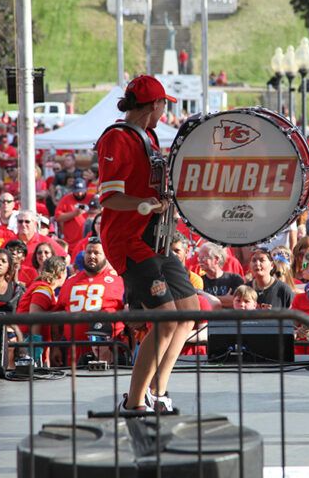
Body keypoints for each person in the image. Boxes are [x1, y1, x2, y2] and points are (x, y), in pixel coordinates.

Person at [96, 75, 199, 413]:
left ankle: (158, 390)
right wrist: (146, 204)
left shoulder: (149, 137)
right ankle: (134, 401)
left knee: (189, 313)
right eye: (163, 104)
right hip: (128, 241)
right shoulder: (116, 138)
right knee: (166, 320)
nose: (164, 109)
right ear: (155, 105)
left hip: (155, 238)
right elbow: (109, 197)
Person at [52, 237, 126, 366]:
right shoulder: (70, 281)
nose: (91, 256)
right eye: (88, 252)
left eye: (97, 253)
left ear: (106, 256)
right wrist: (55, 346)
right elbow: (59, 317)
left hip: (109, 351)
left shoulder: (118, 280)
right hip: (75, 353)